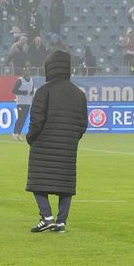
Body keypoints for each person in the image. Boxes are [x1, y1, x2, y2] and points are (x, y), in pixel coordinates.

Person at [26, 51, 86, 233]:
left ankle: (47, 217)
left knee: (37, 181)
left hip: (43, 145)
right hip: (68, 146)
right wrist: (72, 138)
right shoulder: (79, 93)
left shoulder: (44, 91)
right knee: (65, 185)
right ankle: (61, 222)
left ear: (49, 68)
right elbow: (83, 123)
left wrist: (31, 138)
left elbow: (36, 120)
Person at [12, 71, 35, 140]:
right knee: (20, 118)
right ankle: (14, 132)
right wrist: (23, 92)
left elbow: (32, 90)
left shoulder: (31, 80)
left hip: (28, 102)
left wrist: (31, 92)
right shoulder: (20, 80)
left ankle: (19, 133)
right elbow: (14, 90)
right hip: (20, 102)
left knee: (24, 119)